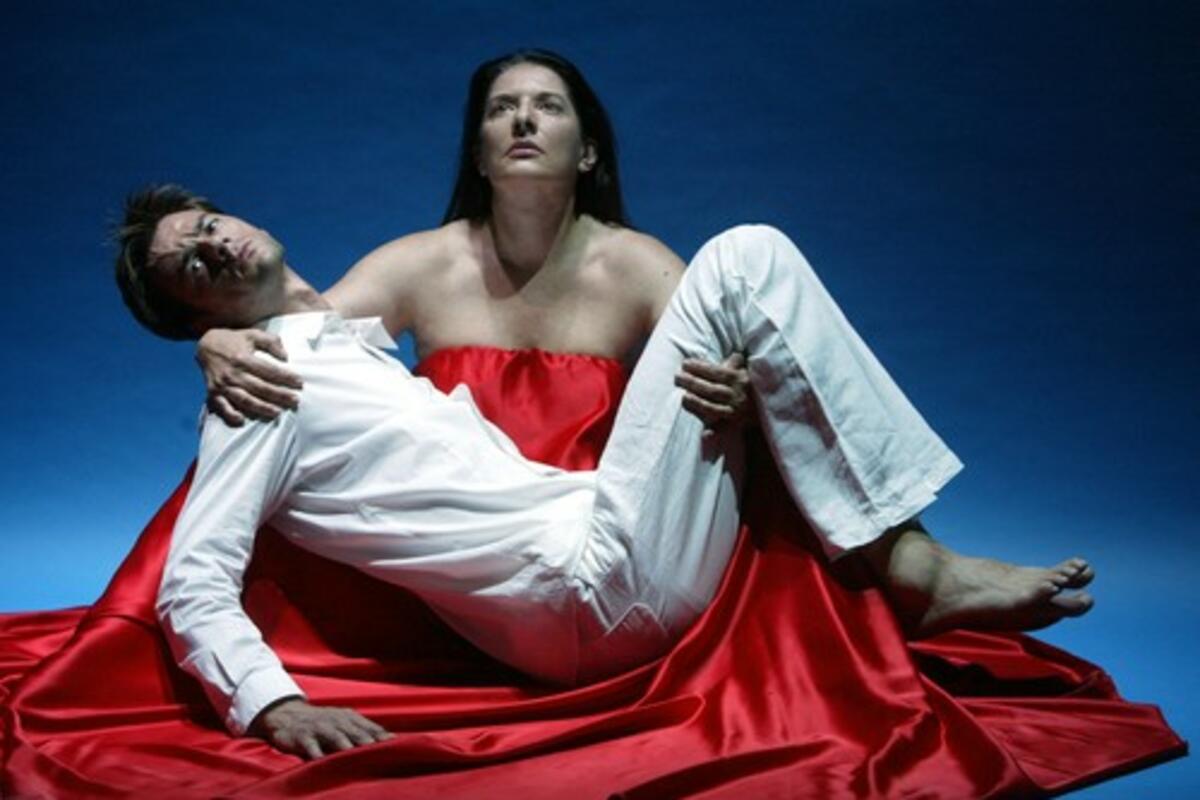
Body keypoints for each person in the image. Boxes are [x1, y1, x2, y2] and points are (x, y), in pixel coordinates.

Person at [114, 185, 1094, 761]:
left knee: (748, 334)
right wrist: (271, 702)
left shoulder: (341, 347)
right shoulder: (261, 387)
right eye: (191, 265)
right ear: (198, 314)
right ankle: (914, 565)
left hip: (606, 558)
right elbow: (191, 579)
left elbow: (327, 320)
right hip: (584, 592)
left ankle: (898, 566)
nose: (214, 243)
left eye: (206, 221)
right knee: (744, 257)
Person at [198, 49, 1095, 642]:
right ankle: (914, 565)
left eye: (547, 107)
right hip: (501, 582)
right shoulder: (415, 264)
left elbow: (737, 383)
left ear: (588, 151)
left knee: (749, 259)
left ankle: (914, 557)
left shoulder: (637, 266)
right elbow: (304, 343)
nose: (522, 121)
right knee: (747, 257)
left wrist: (744, 398)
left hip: (627, 530)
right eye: (502, 110)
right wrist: (214, 339)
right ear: (477, 151)